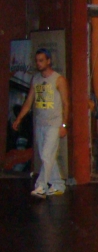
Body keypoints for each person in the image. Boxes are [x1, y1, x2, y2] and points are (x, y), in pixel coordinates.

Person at [12, 48, 69, 197]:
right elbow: (29, 101)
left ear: (48, 61)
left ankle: (41, 186)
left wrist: (64, 125)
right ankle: (58, 184)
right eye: (37, 61)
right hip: (40, 123)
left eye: (41, 60)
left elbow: (66, 103)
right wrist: (19, 119)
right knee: (48, 156)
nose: (38, 63)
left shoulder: (58, 80)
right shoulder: (36, 79)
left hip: (54, 123)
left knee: (46, 155)